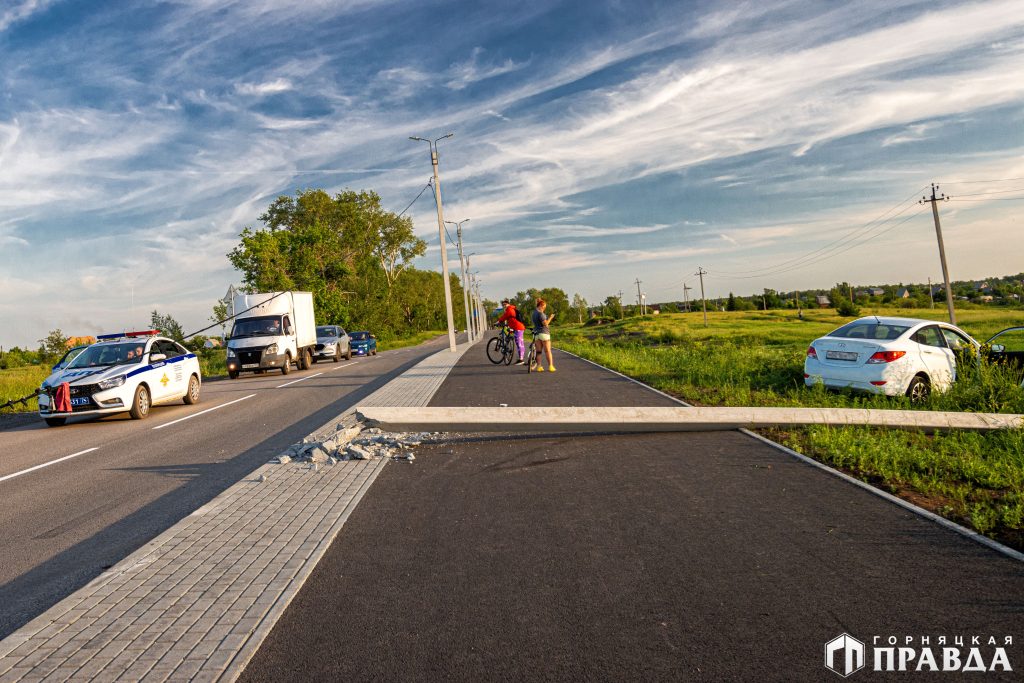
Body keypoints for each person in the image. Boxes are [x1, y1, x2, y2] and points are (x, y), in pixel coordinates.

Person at [496, 298, 526, 365]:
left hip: (518, 327)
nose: (504, 306)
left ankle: (521, 359)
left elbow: (504, 317)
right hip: (516, 327)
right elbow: (510, 319)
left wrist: (498, 321)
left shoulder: (510, 309)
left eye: (505, 304)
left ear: (508, 304)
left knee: (519, 343)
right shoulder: (510, 309)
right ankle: (520, 359)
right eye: (503, 305)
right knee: (518, 342)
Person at [532, 298, 556, 372]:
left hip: (537, 334)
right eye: (544, 307)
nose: (544, 309)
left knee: (539, 351)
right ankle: (550, 366)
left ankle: (539, 367)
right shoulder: (541, 314)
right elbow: (545, 323)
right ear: (540, 306)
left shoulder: (534, 313)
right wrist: (550, 318)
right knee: (547, 351)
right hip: (544, 333)